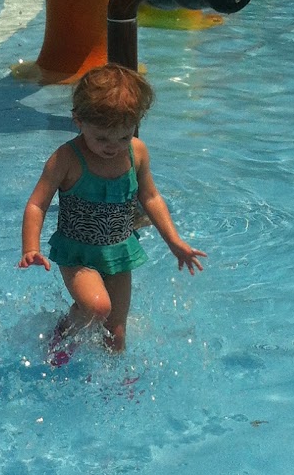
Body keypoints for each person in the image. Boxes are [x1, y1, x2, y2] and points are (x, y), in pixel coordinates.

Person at [19, 64, 205, 355]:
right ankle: (61, 335)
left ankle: (115, 381)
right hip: (77, 253)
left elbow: (151, 198)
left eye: (123, 136)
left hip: (119, 251)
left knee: (116, 329)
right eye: (102, 138)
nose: (113, 146)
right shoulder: (67, 159)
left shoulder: (137, 152)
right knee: (98, 307)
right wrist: (30, 247)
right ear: (78, 121)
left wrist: (175, 242)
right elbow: (36, 203)